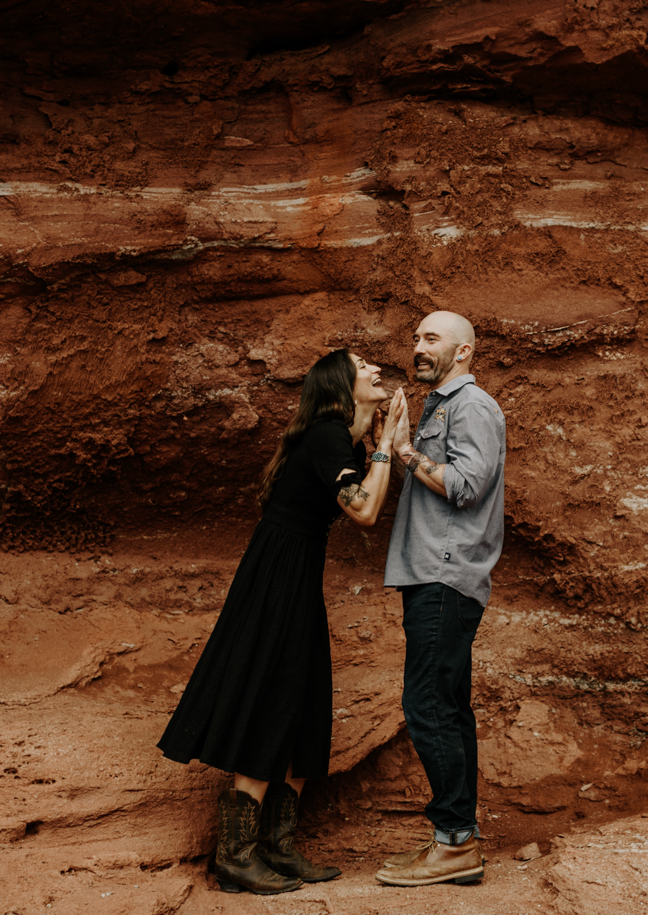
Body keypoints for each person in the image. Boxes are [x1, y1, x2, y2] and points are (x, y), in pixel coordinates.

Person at [157, 349, 408, 895]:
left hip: (295, 570)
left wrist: (379, 443)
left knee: (305, 697)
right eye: (363, 364)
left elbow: (366, 504)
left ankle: (278, 846)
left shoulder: (344, 439)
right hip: (277, 574)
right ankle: (236, 855)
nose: (374, 369)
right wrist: (386, 447)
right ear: (342, 383)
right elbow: (365, 512)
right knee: (270, 694)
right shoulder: (325, 434)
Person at [375, 311, 507, 888]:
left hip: (444, 577)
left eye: (432, 339)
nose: (418, 347)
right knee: (448, 710)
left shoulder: (471, 406)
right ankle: (457, 841)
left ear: (464, 352)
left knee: (428, 706)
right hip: (433, 576)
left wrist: (404, 451)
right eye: (416, 338)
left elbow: (464, 486)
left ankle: (455, 843)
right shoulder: (440, 406)